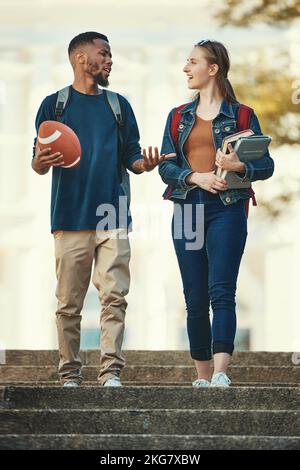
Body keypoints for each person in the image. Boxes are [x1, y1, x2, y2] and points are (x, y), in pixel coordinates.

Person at [32, 32, 163, 387]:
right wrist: (40, 161)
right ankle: (69, 374)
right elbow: (39, 162)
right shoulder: (53, 105)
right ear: (80, 58)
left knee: (114, 297)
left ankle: (110, 373)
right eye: (103, 53)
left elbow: (132, 157)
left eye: (110, 54)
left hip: (114, 216)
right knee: (68, 304)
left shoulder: (119, 105)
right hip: (70, 216)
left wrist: (145, 164)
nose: (109, 60)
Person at [158, 40, 274, 387]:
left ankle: (221, 372)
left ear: (213, 69)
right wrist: (194, 175)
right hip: (188, 209)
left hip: (228, 210)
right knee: (194, 295)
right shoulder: (178, 116)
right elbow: (166, 167)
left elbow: (265, 164)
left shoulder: (241, 115)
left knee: (222, 290)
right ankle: (203, 376)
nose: (185, 68)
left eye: (192, 62)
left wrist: (240, 165)